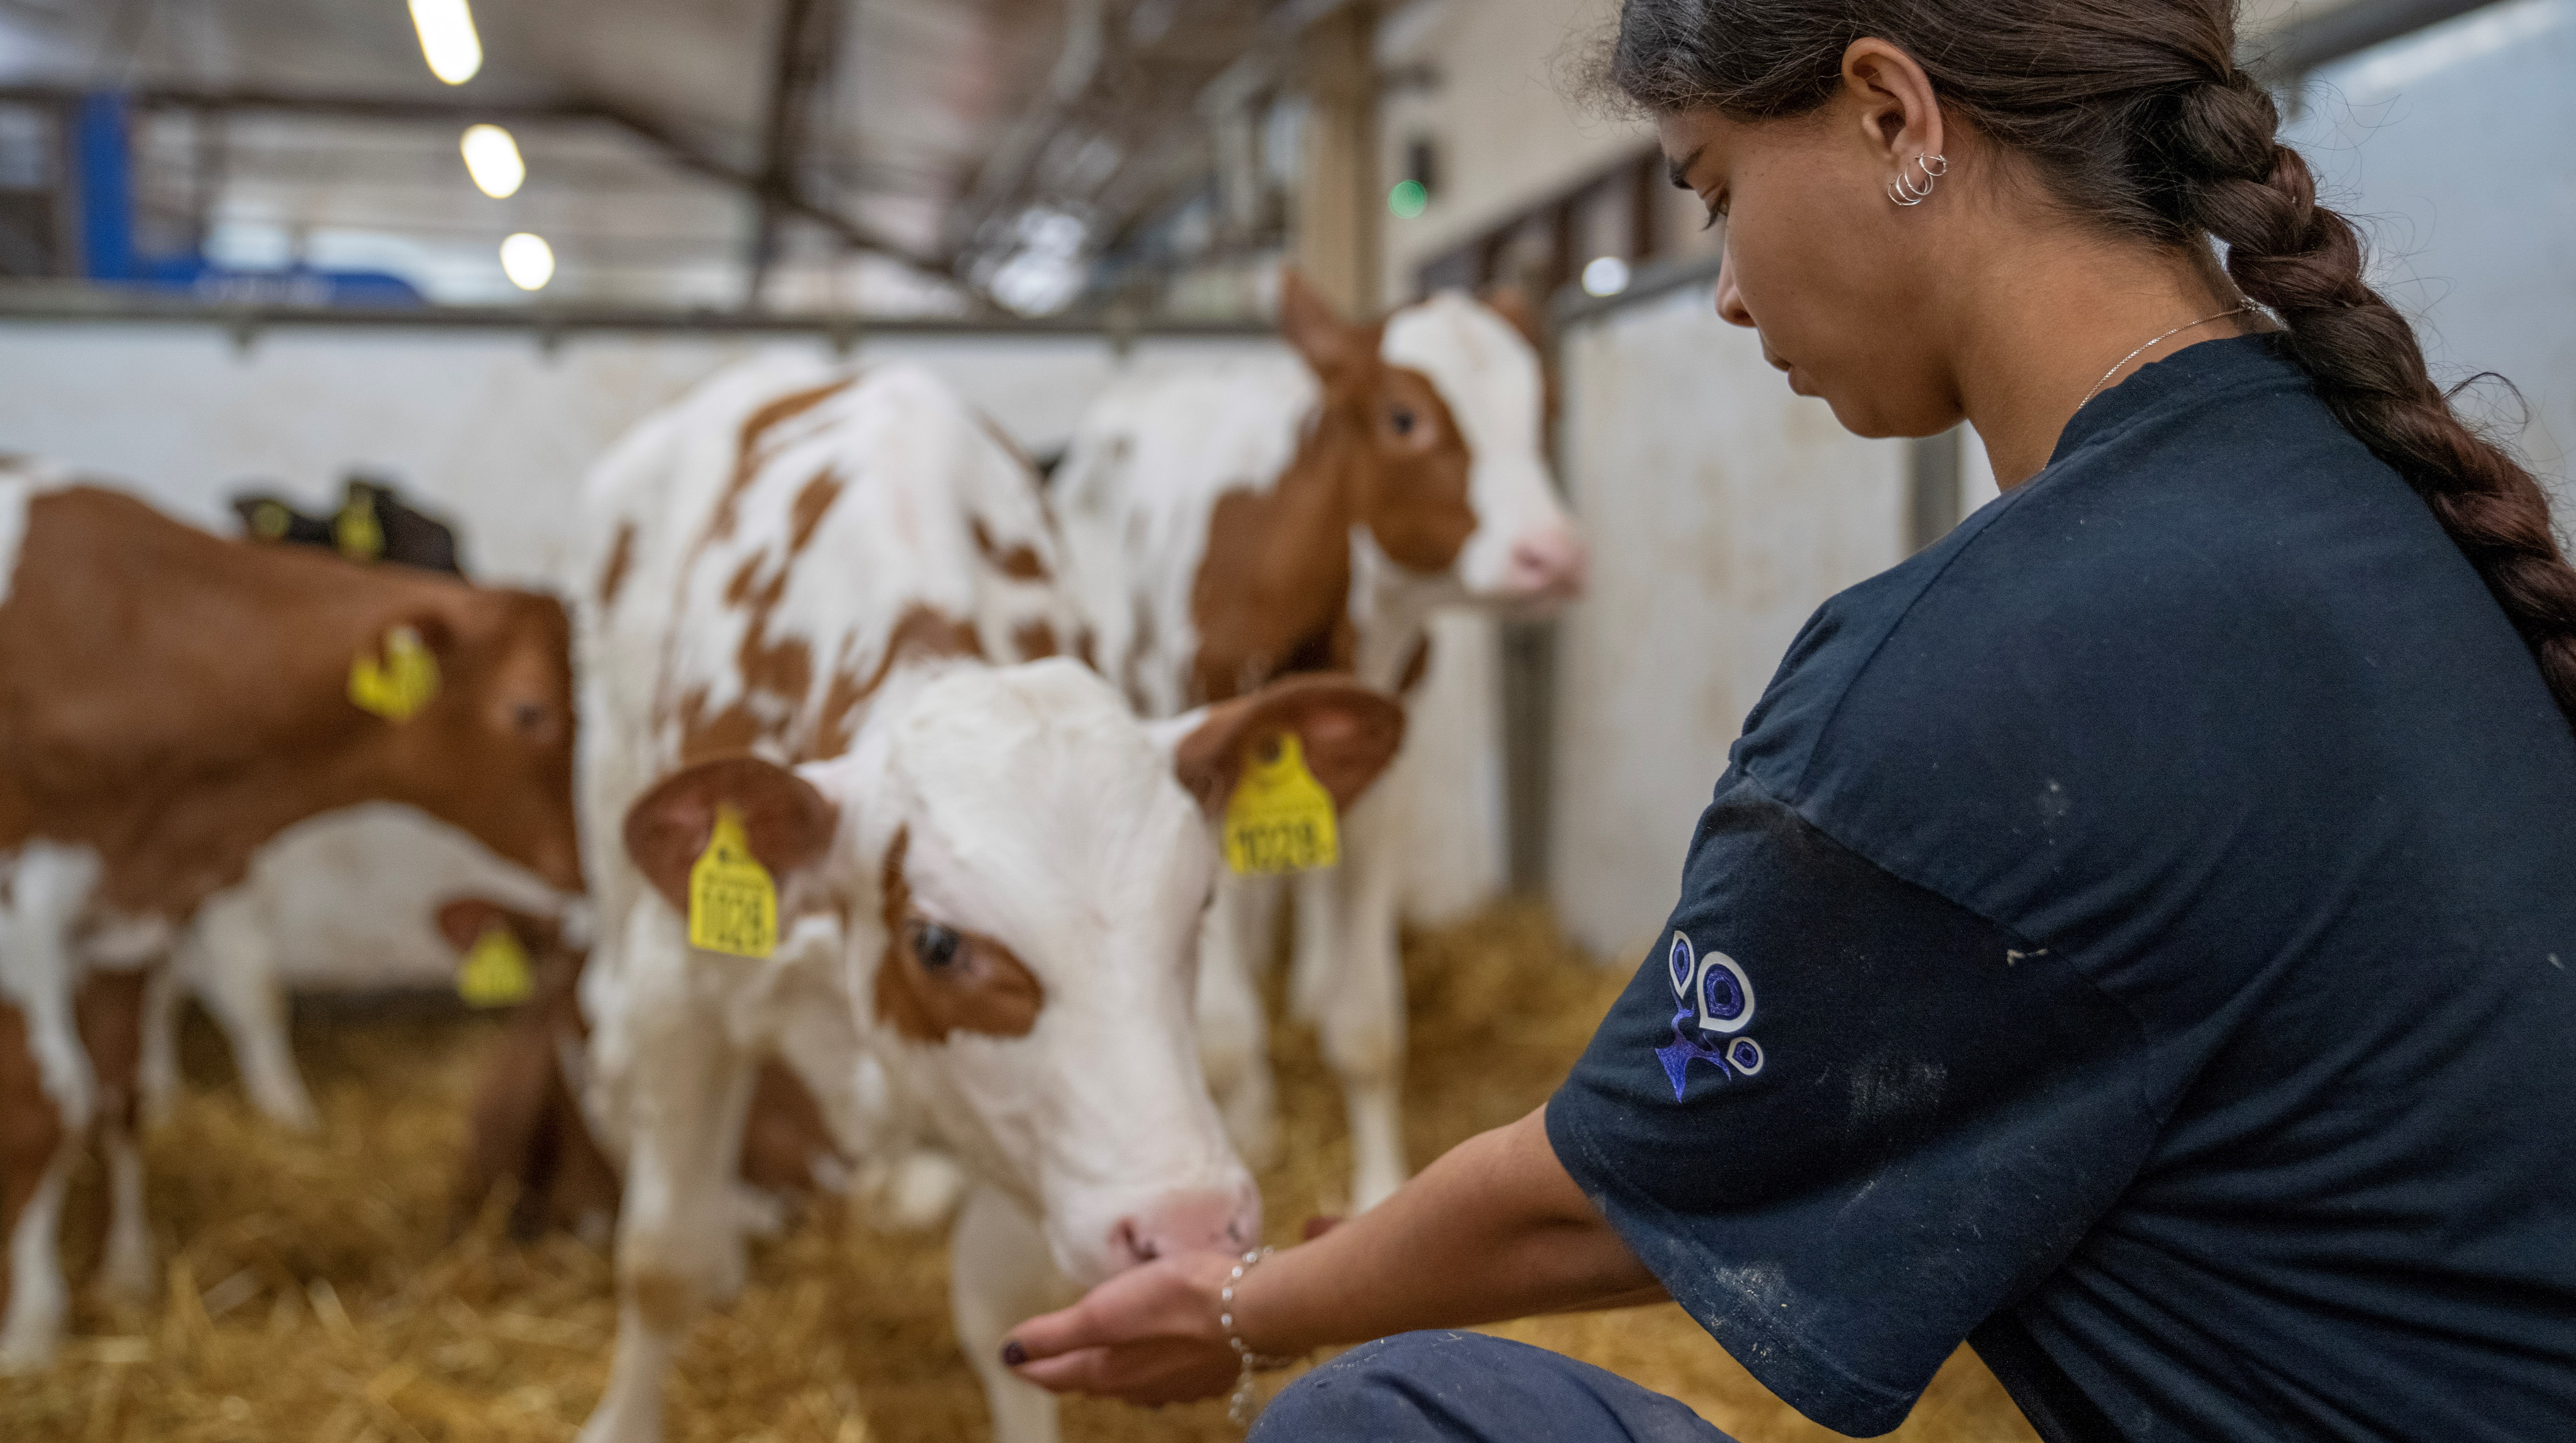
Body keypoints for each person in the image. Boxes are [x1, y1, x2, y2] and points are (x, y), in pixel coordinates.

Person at [1001, 2, 2576, 1438]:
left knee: (1381, 1421)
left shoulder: (1990, 666)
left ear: (1895, 116)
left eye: (1713, 194)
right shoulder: (2369, 497)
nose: (1731, 293)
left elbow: (1600, 1189)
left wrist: (1241, 1309)